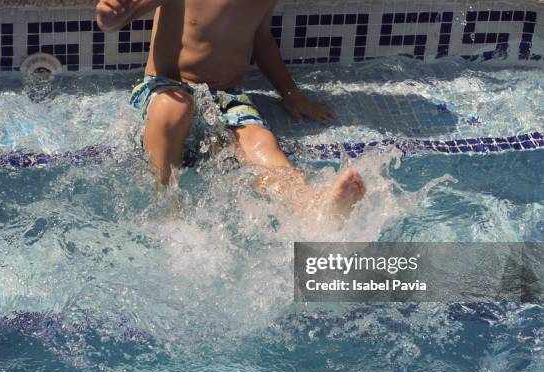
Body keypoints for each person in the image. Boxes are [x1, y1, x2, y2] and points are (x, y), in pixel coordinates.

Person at [96, 0, 365, 218]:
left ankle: (311, 208)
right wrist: (110, 16)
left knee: (260, 141)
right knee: (173, 109)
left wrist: (292, 95)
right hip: (167, 87)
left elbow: (261, 41)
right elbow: (123, 14)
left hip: (226, 98)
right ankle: (165, 206)